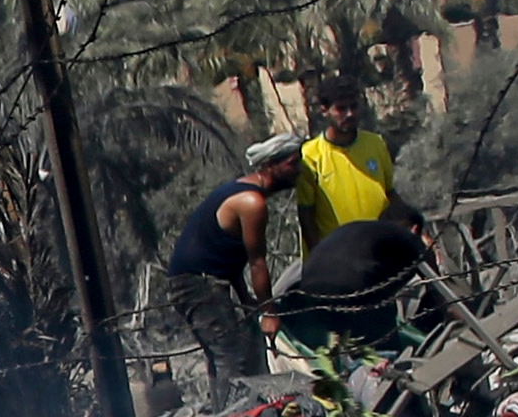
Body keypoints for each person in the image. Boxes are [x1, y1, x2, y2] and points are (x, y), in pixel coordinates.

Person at [163, 139, 297, 398]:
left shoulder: (239, 191)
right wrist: (269, 312)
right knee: (233, 361)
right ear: (269, 165)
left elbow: (225, 254)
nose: (298, 171)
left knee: (244, 350)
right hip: (198, 286)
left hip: (204, 283)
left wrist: (246, 298)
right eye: (292, 164)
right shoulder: (251, 203)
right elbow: (257, 262)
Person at [269, 210, 442, 355]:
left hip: (309, 293)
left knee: (345, 348)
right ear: (415, 228)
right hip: (351, 292)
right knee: (386, 349)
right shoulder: (408, 237)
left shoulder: (363, 231)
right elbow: (438, 285)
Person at [294, 78, 395, 248]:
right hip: (338, 256)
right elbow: (306, 214)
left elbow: (390, 193)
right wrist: (320, 256)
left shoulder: (375, 143)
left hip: (380, 249)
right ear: (324, 110)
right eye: (341, 108)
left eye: (353, 107)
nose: (349, 114)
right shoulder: (310, 155)